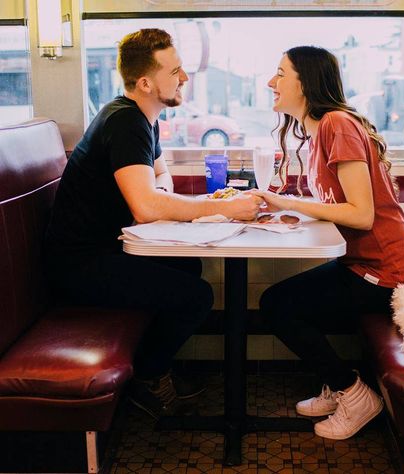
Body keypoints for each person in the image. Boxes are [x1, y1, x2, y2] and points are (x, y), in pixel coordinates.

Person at [45, 28, 261, 419]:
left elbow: (162, 179)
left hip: (102, 250)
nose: (185, 78)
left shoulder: (143, 118)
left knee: (188, 266)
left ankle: (152, 367)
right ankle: (147, 378)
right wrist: (226, 210)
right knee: (196, 297)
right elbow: (147, 206)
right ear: (145, 82)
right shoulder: (125, 122)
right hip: (78, 265)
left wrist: (160, 198)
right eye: (175, 70)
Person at [255, 46, 404, 440]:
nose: (271, 83)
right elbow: (339, 206)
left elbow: (362, 215)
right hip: (364, 263)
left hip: (389, 270)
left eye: (280, 73)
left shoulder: (336, 124)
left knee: (277, 306)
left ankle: (354, 395)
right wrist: (285, 211)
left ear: (307, 82)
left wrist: (287, 202)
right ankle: (338, 386)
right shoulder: (321, 131)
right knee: (291, 301)